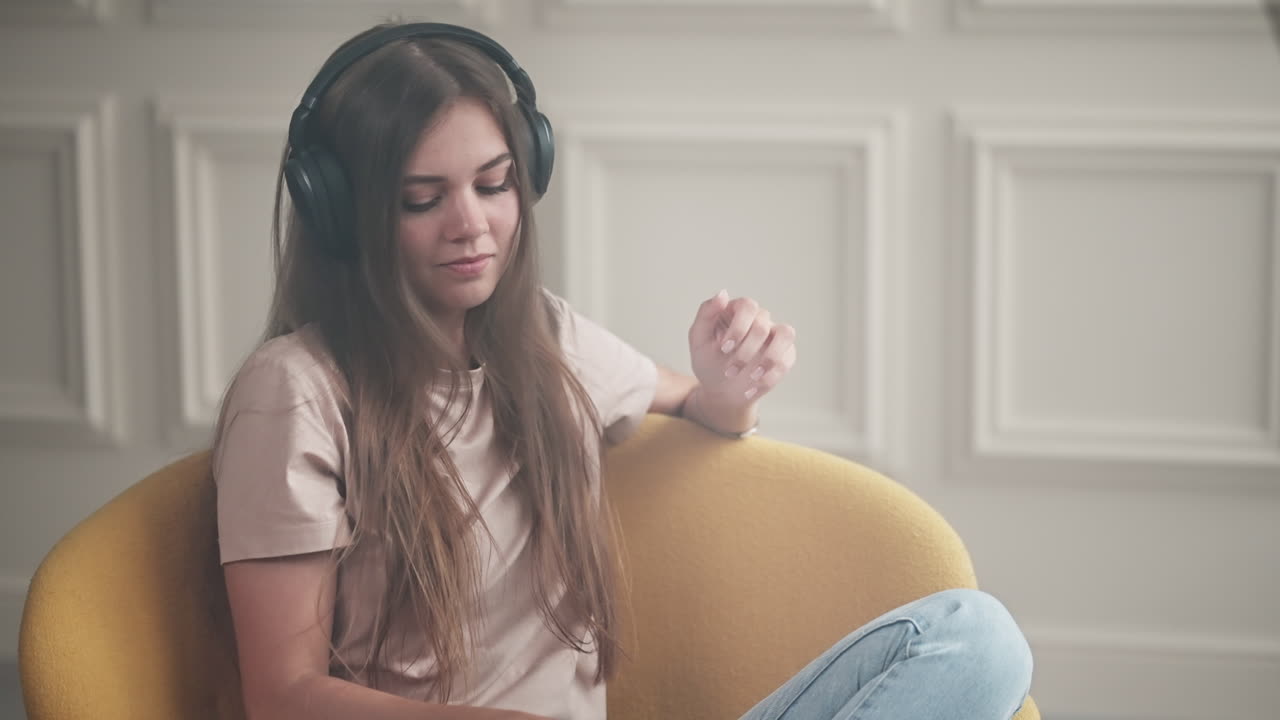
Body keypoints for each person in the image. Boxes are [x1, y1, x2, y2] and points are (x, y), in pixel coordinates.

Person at [212, 21, 1033, 720]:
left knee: (976, 639)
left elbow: (701, 409)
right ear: (338, 212)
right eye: (421, 199)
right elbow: (283, 694)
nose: (473, 224)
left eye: (494, 184)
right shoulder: (294, 393)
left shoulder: (544, 340)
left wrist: (727, 383)